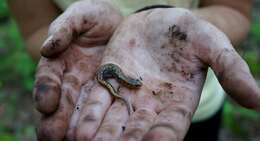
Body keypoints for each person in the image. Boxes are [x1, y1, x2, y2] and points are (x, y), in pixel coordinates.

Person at [8, 0, 259, 141]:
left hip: (198, 104)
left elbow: (234, 10)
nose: (133, 84)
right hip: (86, 100)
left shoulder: (126, 79)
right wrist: (74, 43)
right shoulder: (117, 77)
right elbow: (35, 31)